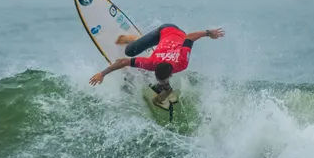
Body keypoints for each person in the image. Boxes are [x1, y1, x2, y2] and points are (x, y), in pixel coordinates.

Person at [88, 23, 225, 105]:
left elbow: (189, 37)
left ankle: (167, 89)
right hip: (163, 32)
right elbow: (123, 61)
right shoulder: (151, 63)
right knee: (129, 51)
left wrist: (208, 33)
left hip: (174, 33)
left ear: (171, 73)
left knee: (147, 73)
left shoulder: (182, 62)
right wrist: (102, 74)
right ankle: (134, 39)